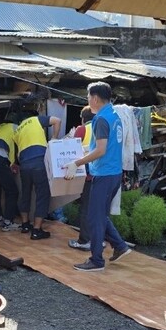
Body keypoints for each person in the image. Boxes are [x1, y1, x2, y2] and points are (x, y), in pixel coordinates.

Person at [62, 82, 131, 271]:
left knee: (94, 218)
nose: (87, 100)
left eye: (88, 97)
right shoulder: (114, 115)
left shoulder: (100, 119)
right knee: (100, 215)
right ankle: (119, 246)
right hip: (114, 173)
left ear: (94, 98)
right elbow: (106, 146)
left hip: (104, 174)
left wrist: (77, 163)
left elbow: (101, 150)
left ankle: (96, 261)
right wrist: (86, 151)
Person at [14, 107, 61, 240]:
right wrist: (54, 139)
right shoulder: (36, 120)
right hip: (39, 161)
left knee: (25, 193)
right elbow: (57, 120)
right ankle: (36, 230)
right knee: (42, 194)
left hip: (24, 165)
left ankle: (25, 225)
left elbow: (17, 155)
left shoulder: (17, 131)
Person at [68, 105, 94, 251]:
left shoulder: (82, 129)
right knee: (98, 209)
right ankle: (98, 240)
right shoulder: (103, 128)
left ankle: (84, 241)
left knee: (85, 209)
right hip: (104, 175)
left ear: (83, 118)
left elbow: (71, 150)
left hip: (88, 174)